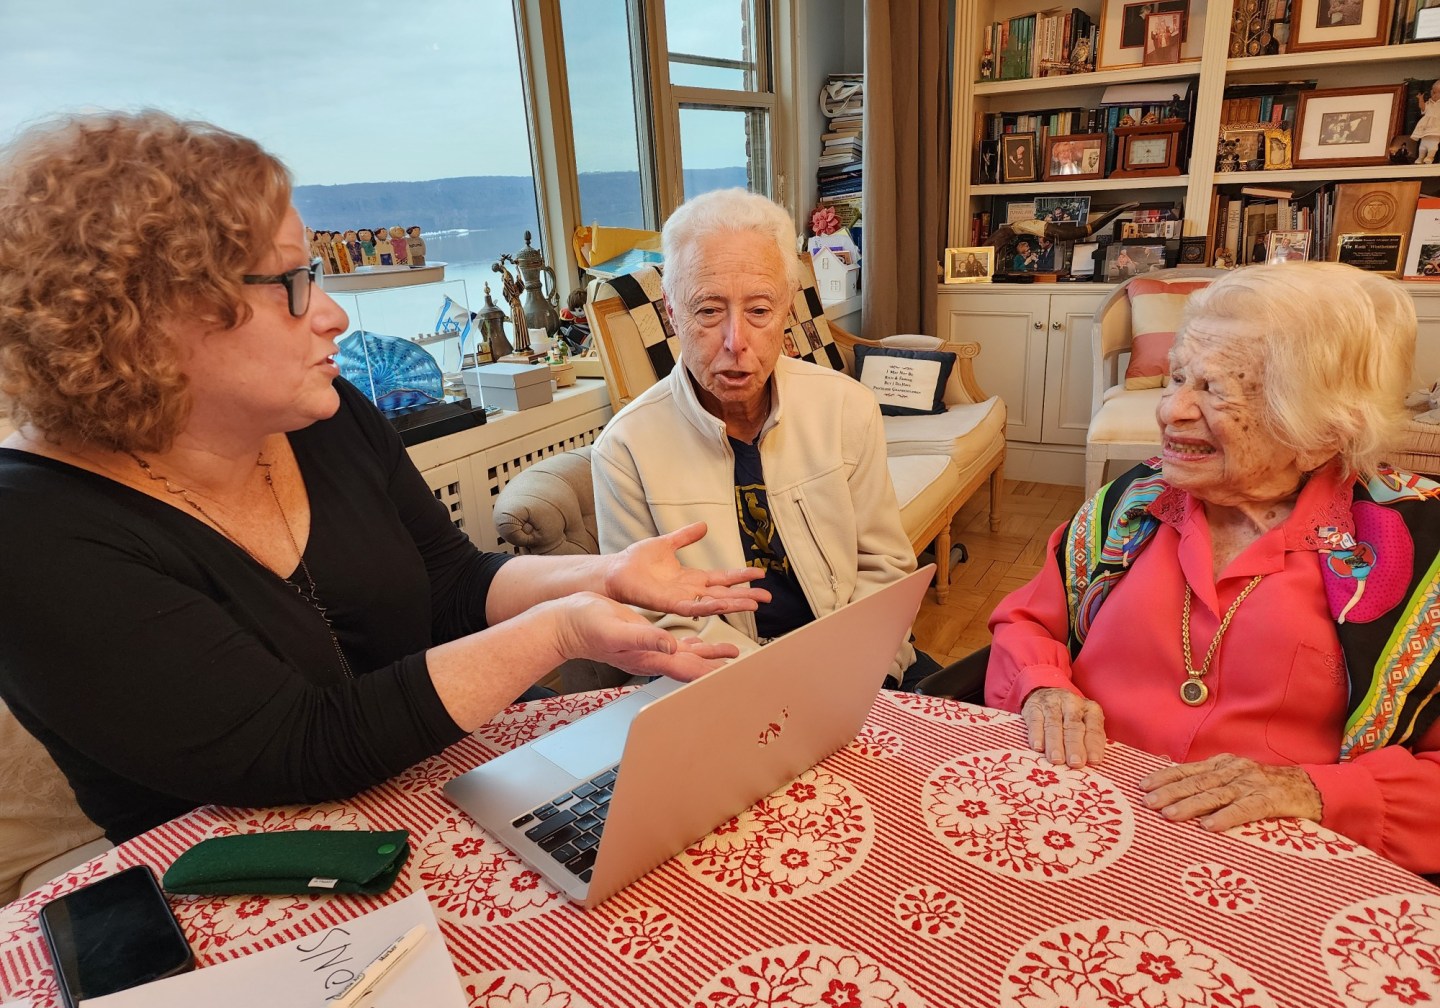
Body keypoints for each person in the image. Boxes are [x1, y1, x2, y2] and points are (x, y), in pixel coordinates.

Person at [0, 112, 769, 844]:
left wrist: (606, 574)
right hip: (248, 891)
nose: (332, 314)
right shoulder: (33, 531)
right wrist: (561, 625)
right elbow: (303, 744)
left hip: (445, 795)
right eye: (295, 284)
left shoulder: (325, 417)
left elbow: (452, 583)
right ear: (151, 318)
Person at [984, 262, 1440, 874]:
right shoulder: (1133, 505)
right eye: (1176, 378)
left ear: (1324, 428)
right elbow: (1027, 624)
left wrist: (1316, 792)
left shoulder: (1414, 553)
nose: (1171, 410)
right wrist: (1043, 687)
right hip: (1074, 827)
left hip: (1275, 874)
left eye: (1216, 389)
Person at [590, 188, 939, 691]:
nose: (736, 341)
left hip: (852, 665)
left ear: (788, 309)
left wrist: (851, 672)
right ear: (672, 313)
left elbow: (884, 566)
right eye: (708, 311)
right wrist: (770, 690)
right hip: (716, 687)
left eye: (759, 310)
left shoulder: (846, 409)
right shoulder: (626, 451)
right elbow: (655, 622)